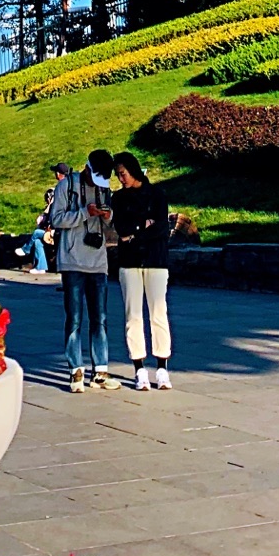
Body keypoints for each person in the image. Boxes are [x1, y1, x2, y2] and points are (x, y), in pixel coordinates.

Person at [46, 149, 121, 392]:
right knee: (75, 317)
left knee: (100, 318)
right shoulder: (65, 187)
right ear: (87, 168)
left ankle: (100, 371)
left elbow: (111, 223)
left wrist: (108, 216)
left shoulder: (103, 189)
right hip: (72, 260)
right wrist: (82, 213)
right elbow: (56, 219)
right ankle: (75, 370)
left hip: (98, 260)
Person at [112, 151, 172, 390]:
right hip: (130, 263)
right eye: (118, 175)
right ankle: (139, 369)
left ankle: (162, 367)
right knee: (133, 315)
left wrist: (134, 234)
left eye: (123, 173)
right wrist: (141, 226)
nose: (121, 179)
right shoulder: (118, 198)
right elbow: (121, 227)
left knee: (158, 313)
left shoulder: (157, 194)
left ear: (133, 170)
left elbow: (161, 227)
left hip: (156, 260)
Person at [17, 162, 68, 274]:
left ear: (59, 174)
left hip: (58, 230)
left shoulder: (61, 188)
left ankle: (25, 249)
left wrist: (50, 206)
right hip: (54, 229)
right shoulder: (63, 186)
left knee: (36, 233)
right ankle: (41, 267)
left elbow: (54, 210)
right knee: (37, 242)